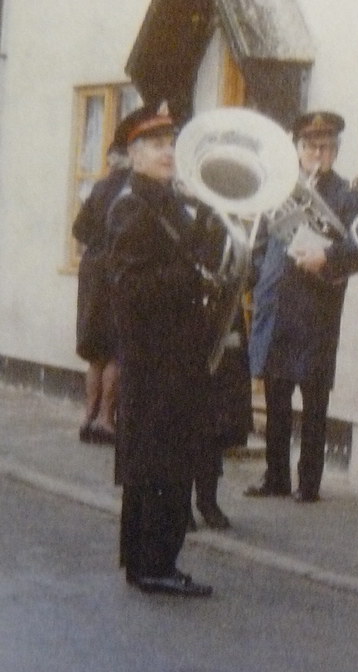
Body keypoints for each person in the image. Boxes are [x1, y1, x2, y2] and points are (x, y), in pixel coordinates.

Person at [105, 101, 214, 596]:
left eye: (171, 142)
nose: (168, 151)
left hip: (174, 351)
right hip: (154, 357)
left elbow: (191, 257)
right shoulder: (133, 205)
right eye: (155, 144)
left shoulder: (165, 199)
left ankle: (146, 561)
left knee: (163, 459)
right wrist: (192, 277)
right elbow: (130, 286)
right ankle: (154, 565)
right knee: (159, 461)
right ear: (133, 154)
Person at [245, 110, 358, 503]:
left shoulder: (348, 195)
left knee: (314, 399)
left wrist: (327, 256)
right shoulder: (279, 187)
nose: (319, 152)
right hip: (277, 302)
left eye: (328, 146)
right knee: (277, 395)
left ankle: (309, 482)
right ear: (297, 148)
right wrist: (258, 274)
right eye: (311, 145)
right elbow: (260, 238)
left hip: (317, 305)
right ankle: (275, 475)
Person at [73, 127, 131, 445]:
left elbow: (79, 229)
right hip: (116, 273)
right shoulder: (132, 190)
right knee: (116, 351)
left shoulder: (98, 187)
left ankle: (88, 417)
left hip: (91, 273)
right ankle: (107, 420)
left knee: (95, 352)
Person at [191, 306, 251, 530]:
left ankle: (208, 501)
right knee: (187, 427)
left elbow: (249, 274)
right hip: (187, 322)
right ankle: (180, 506)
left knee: (215, 426)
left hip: (224, 326)